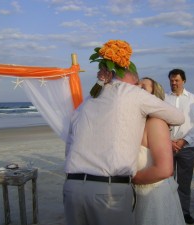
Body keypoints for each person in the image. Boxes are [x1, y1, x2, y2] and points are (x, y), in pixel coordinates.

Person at [63, 40, 185, 225]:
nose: (138, 87)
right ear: (132, 79)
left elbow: (69, 146)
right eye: (138, 83)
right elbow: (178, 117)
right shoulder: (132, 93)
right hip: (108, 192)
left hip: (72, 188)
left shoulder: (88, 101)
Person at [132, 77, 185, 225]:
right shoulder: (135, 123)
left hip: (153, 198)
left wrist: (132, 179)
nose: (137, 88)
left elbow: (164, 169)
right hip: (135, 197)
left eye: (143, 87)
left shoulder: (155, 123)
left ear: (153, 98)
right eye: (136, 85)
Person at [165, 69, 194, 224]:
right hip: (167, 146)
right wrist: (169, 141)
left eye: (177, 80)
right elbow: (159, 122)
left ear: (184, 81)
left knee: (185, 182)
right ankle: (169, 211)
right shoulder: (164, 98)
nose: (174, 83)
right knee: (167, 182)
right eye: (172, 80)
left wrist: (183, 141)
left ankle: (185, 212)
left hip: (187, 148)